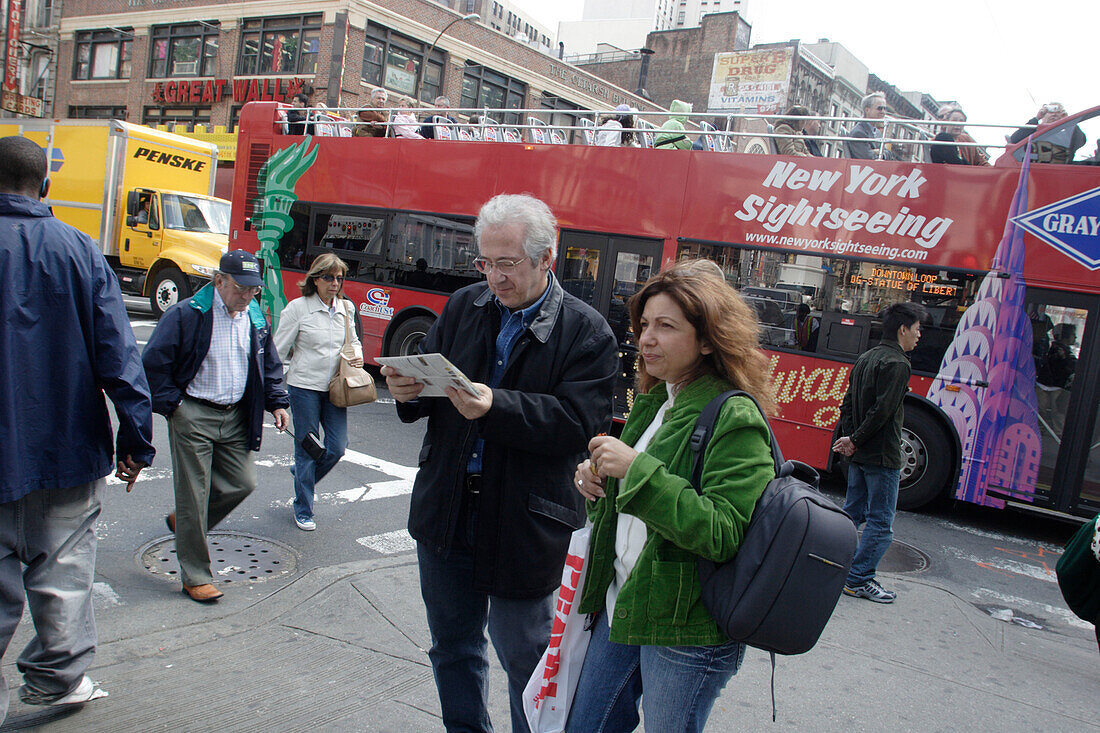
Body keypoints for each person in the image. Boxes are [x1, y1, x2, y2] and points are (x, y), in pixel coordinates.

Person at [380, 194, 618, 733]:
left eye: (507, 264)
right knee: (452, 648)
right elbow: (429, 389)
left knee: (525, 660)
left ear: (545, 260)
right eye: (484, 262)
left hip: (525, 524)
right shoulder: (465, 305)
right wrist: (407, 390)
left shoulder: (587, 331)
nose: (494, 278)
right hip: (448, 511)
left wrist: (496, 406)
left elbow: (580, 425)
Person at [565, 260, 775, 732]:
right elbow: (629, 505)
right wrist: (596, 481)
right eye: (643, 325)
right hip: (628, 602)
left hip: (686, 628)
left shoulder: (734, 415)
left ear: (706, 339)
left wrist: (637, 470)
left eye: (665, 326)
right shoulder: (660, 398)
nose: (646, 339)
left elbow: (722, 532)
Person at [0, 136, 155, 719]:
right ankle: (56, 680)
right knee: (64, 570)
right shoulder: (79, 251)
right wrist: (135, 440)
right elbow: (119, 355)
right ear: (45, 187)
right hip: (66, 448)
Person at [142, 250, 290, 603]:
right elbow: (153, 364)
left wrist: (278, 402)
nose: (247, 296)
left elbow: (269, 364)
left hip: (236, 413)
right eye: (241, 288)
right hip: (193, 411)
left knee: (243, 482)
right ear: (219, 280)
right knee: (194, 493)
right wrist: (174, 406)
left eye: (253, 290)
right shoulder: (187, 314)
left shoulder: (253, 316)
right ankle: (195, 575)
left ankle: (186, 524)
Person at [832, 301, 925, 603]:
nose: (918, 336)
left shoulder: (867, 357)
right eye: (916, 329)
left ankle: (833, 567)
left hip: (859, 456)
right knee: (881, 523)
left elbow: (847, 404)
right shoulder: (898, 364)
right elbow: (883, 412)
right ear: (902, 329)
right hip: (882, 456)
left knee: (851, 513)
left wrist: (850, 438)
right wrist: (856, 440)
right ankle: (859, 578)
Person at [273, 254, 363, 532]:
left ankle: (302, 476)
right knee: (307, 451)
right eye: (328, 277)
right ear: (315, 279)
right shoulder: (298, 309)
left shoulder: (347, 308)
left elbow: (354, 341)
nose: (334, 283)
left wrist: (357, 356)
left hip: (337, 387)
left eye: (339, 278)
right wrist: (274, 391)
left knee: (337, 447)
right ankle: (303, 508)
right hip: (303, 388)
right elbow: (277, 351)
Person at [1007, 102, 1086, 163]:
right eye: (1050, 111)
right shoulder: (1032, 133)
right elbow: (1015, 139)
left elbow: (1080, 141)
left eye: (1058, 113)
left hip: (1060, 174)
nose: (1054, 114)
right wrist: (1036, 118)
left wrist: (1068, 121)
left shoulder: (1066, 137)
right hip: (1031, 173)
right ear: (1043, 115)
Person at [845, 93, 895, 160]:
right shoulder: (858, 133)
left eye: (885, 109)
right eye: (879, 108)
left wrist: (878, 153)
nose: (883, 112)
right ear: (867, 110)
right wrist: (879, 153)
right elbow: (867, 158)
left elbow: (889, 154)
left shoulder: (877, 132)